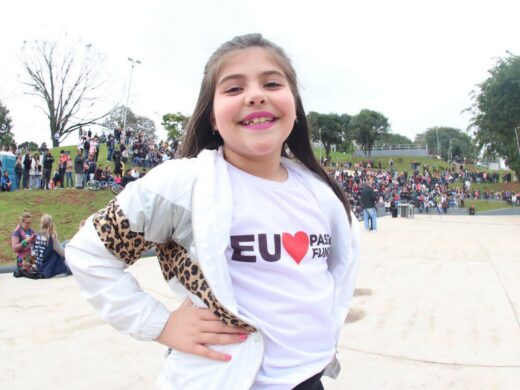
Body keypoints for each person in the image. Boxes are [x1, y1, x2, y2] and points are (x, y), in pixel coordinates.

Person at [66, 33, 360, 390]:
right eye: (234, 89)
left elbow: (331, 276)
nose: (255, 94)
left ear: (294, 107)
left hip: (309, 380)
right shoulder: (183, 185)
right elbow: (87, 252)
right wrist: (159, 323)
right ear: (213, 119)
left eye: (271, 83)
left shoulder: (321, 193)